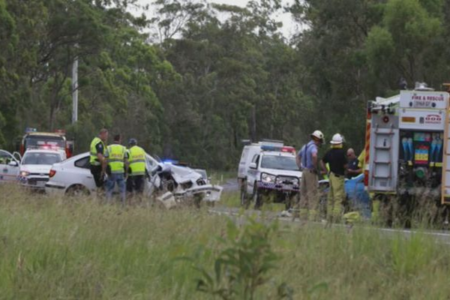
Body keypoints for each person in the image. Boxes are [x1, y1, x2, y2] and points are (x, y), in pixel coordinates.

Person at [296, 130, 324, 220]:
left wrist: (300, 167)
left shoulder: (305, 146)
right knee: (313, 194)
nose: (320, 143)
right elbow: (314, 155)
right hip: (311, 172)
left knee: (303, 194)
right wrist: (315, 167)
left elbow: (297, 156)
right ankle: (313, 217)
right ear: (318, 139)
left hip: (304, 171)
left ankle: (303, 216)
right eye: (320, 141)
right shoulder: (313, 147)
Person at [321, 133, 348, 222]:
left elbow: (322, 161)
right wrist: (348, 170)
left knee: (330, 198)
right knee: (338, 198)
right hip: (338, 177)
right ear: (340, 143)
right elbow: (345, 166)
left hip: (331, 176)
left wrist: (325, 171)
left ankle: (329, 217)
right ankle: (336, 218)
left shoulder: (329, 152)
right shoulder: (341, 153)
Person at [105, 134, 128, 205]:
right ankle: (122, 205)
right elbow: (126, 161)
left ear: (114, 139)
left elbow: (105, 160)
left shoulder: (108, 148)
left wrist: (105, 170)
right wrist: (126, 172)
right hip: (121, 172)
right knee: (122, 190)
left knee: (109, 190)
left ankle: (108, 205)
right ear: (120, 139)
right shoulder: (123, 148)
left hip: (111, 172)